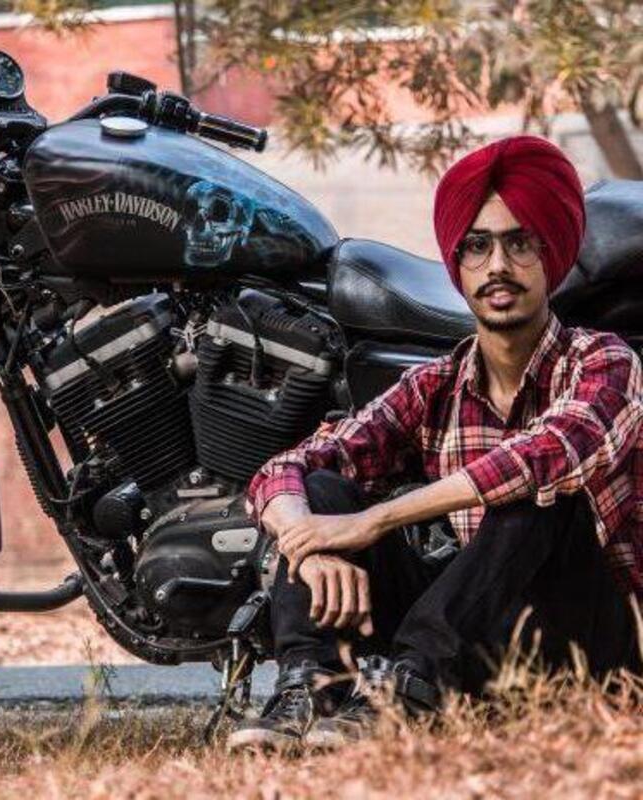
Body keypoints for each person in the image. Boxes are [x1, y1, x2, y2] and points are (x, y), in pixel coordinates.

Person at [227, 135, 643, 754]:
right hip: (484, 630)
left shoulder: (605, 361)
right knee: (321, 490)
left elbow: (548, 454)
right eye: (477, 246)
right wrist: (307, 543)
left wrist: (373, 521)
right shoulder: (435, 384)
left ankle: (409, 689)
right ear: (458, 263)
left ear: (551, 255)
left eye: (519, 243)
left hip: (591, 640)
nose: (497, 265)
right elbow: (287, 467)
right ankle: (310, 688)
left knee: (538, 495)